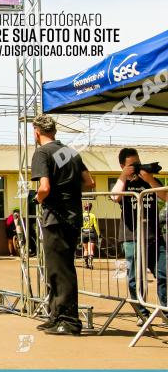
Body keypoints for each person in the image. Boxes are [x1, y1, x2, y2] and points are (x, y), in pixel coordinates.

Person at [30, 114, 95, 336]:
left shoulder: (41, 153)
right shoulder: (69, 151)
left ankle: (68, 321)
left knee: (61, 270)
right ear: (54, 131)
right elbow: (90, 182)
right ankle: (55, 316)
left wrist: (37, 199)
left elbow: (44, 188)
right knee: (57, 269)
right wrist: (69, 190)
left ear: (36, 132)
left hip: (55, 217)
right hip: (72, 216)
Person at [110, 147, 167, 325]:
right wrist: (123, 176)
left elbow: (165, 195)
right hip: (131, 238)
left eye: (138, 162)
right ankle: (142, 313)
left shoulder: (148, 180)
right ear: (122, 165)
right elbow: (114, 196)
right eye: (132, 164)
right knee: (136, 278)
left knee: (164, 273)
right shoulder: (123, 182)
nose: (136, 166)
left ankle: (166, 309)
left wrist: (149, 178)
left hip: (154, 236)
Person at [80, 201, 100, 269]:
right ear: (90, 208)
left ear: (84, 207)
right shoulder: (92, 215)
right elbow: (95, 225)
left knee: (85, 250)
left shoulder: (81, 215)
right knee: (91, 250)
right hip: (91, 232)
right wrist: (98, 233)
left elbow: (80, 225)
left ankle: (86, 264)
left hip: (84, 232)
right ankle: (90, 264)